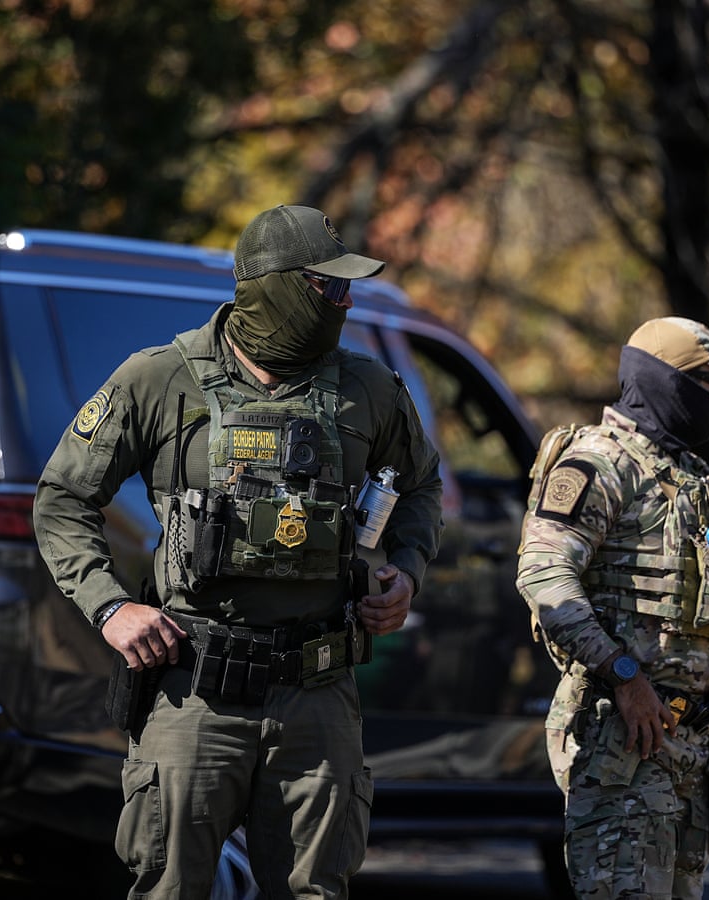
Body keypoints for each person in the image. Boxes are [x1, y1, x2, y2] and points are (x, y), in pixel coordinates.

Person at [33, 204, 444, 898]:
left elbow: (422, 485)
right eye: (329, 286)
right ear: (275, 287)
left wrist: (406, 570)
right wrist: (110, 608)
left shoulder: (368, 390)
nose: (345, 303)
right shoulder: (158, 379)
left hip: (318, 694)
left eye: (348, 288)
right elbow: (62, 498)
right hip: (193, 689)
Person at [516, 316, 709, 899]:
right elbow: (543, 573)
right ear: (667, 382)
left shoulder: (696, 480)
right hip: (621, 740)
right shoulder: (600, 463)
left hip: (690, 751)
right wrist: (625, 676)